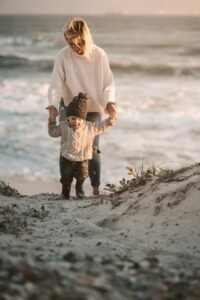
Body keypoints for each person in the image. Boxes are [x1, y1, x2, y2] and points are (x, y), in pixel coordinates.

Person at [47, 17, 116, 196]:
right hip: (69, 107)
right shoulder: (62, 56)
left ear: (85, 37)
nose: (74, 46)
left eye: (78, 42)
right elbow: (56, 84)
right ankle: (66, 188)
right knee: (68, 145)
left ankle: (95, 189)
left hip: (92, 106)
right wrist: (53, 105)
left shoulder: (99, 54)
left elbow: (108, 83)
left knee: (92, 150)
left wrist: (110, 103)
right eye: (69, 42)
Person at [48, 92, 116, 200]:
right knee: (66, 177)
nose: (77, 122)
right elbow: (52, 132)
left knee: (82, 176)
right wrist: (51, 120)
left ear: (84, 119)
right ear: (68, 118)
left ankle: (80, 190)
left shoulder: (89, 127)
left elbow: (102, 126)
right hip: (66, 157)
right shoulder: (63, 126)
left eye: (80, 119)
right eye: (73, 118)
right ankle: (65, 193)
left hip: (83, 158)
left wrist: (111, 119)